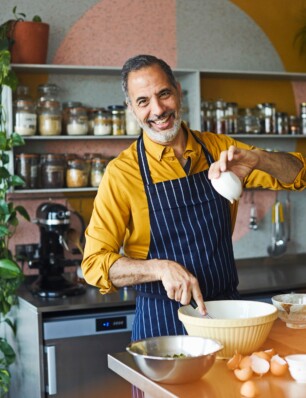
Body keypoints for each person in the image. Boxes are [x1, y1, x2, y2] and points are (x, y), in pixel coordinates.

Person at [81, 54, 306, 341]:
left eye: (164, 94)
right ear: (131, 109)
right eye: (143, 101)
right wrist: (160, 268)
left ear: (177, 90)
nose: (158, 109)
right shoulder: (122, 174)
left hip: (226, 317)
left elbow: (298, 174)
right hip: (162, 326)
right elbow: (94, 265)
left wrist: (258, 158)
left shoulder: (220, 149)